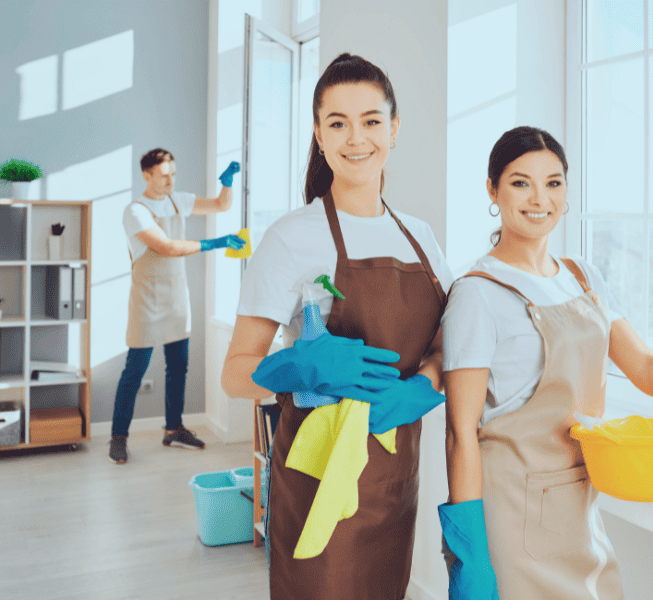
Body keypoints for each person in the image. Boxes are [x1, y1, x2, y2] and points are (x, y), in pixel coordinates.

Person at [438, 126, 653, 599]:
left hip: (579, 504)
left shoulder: (582, 276)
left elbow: (642, 366)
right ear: (493, 190)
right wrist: (469, 552)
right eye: (521, 182)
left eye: (553, 183)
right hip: (510, 512)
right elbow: (459, 432)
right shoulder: (476, 294)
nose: (539, 198)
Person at [221, 53, 455, 600]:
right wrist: (299, 368)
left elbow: (450, 345)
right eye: (338, 123)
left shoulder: (420, 237)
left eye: (371, 120)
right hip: (316, 479)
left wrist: (424, 386)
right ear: (319, 135)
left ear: (394, 129)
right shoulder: (290, 238)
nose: (356, 138)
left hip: (394, 475)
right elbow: (234, 374)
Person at [109, 149, 245, 464]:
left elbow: (221, 205)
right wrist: (215, 243)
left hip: (176, 298)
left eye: (173, 173)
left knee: (178, 366)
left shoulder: (177, 200)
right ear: (146, 176)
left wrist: (227, 183)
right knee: (134, 370)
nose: (170, 180)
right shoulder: (135, 210)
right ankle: (118, 438)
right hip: (147, 300)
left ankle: (173, 429)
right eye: (163, 175)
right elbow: (166, 247)